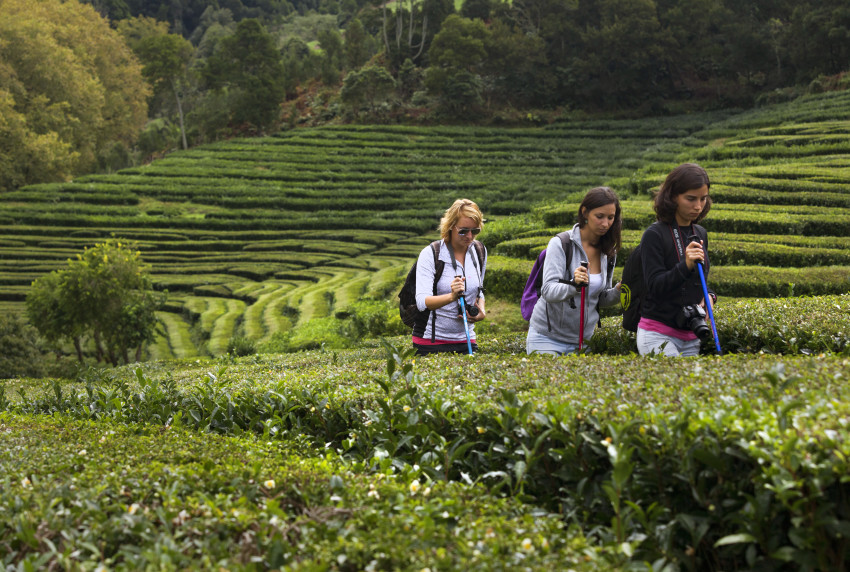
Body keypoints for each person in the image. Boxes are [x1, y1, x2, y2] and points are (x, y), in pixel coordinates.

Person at [526, 187, 622, 355]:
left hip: (584, 342)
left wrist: (619, 291)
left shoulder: (608, 251)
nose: (605, 223)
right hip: (547, 338)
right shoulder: (561, 244)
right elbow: (548, 291)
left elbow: (599, 298)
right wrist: (574, 285)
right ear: (585, 212)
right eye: (599, 216)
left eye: (610, 217)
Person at [637, 163, 716, 357]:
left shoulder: (700, 233)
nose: (698, 206)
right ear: (673, 197)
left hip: (691, 335)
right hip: (657, 334)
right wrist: (685, 265)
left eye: (703, 199)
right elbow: (654, 286)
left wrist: (711, 297)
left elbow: (699, 281)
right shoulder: (654, 235)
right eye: (690, 199)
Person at [413, 199, 486, 355]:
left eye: (475, 231)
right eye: (463, 231)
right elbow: (421, 302)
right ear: (451, 227)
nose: (470, 236)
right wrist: (452, 296)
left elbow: (479, 291)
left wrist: (481, 311)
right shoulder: (431, 254)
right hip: (430, 341)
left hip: (467, 339)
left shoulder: (479, 251)